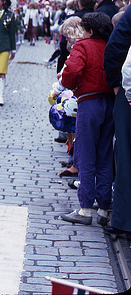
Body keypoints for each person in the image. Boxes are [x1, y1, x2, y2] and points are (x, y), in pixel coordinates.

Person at [58, 13, 115, 225]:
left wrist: (71, 85)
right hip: (109, 102)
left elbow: (71, 70)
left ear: (89, 30)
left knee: (85, 154)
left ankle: (85, 208)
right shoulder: (110, 44)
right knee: (105, 154)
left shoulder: (83, 46)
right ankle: (104, 208)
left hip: (89, 102)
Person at [103, 6, 131, 235]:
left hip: (128, 92)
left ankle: (124, 219)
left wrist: (116, 84)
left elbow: (115, 49)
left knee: (125, 155)